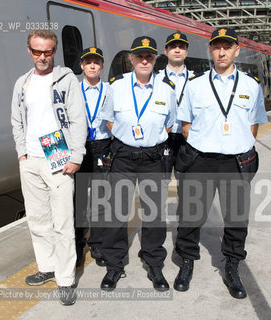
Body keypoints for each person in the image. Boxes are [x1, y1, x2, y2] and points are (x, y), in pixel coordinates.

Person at [174, 27, 267, 299]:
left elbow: (253, 127)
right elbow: (186, 126)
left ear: (237, 50)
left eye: (227, 46)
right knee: (190, 217)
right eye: (217, 46)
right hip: (200, 161)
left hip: (235, 163)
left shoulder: (251, 86)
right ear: (210, 50)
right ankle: (187, 261)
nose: (222, 51)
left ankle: (232, 265)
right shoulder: (195, 86)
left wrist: (233, 145)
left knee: (236, 219)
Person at [11, 30, 87, 305]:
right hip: (31, 157)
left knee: (63, 221)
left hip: (56, 152)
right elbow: (17, 120)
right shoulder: (23, 82)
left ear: (54, 52)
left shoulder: (66, 79)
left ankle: (65, 280)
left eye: (47, 52)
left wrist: (76, 155)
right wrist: (22, 153)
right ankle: (47, 267)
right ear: (29, 50)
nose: (42, 57)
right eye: (36, 51)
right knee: (38, 219)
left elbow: (78, 119)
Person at [98, 36, 177, 291]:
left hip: (153, 157)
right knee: (116, 212)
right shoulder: (116, 86)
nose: (144, 60)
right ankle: (114, 265)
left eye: (149, 56)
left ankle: (154, 264)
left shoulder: (166, 90)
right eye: (139, 56)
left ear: (155, 60)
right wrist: (127, 137)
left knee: (154, 214)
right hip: (122, 156)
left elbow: (169, 123)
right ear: (131, 59)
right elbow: (109, 120)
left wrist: (148, 140)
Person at [75, 47, 112, 267]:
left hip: (103, 146)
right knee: (79, 198)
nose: (92, 66)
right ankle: (79, 243)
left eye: (96, 62)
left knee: (100, 197)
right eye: (88, 62)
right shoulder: (75, 90)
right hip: (80, 146)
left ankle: (96, 242)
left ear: (102, 65)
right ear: (82, 66)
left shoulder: (110, 90)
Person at [159, 31, 194, 174]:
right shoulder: (157, 79)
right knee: (158, 185)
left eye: (181, 46)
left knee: (188, 187)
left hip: (188, 140)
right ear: (166, 51)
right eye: (173, 47)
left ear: (186, 51)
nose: (177, 50)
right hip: (164, 139)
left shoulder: (196, 80)